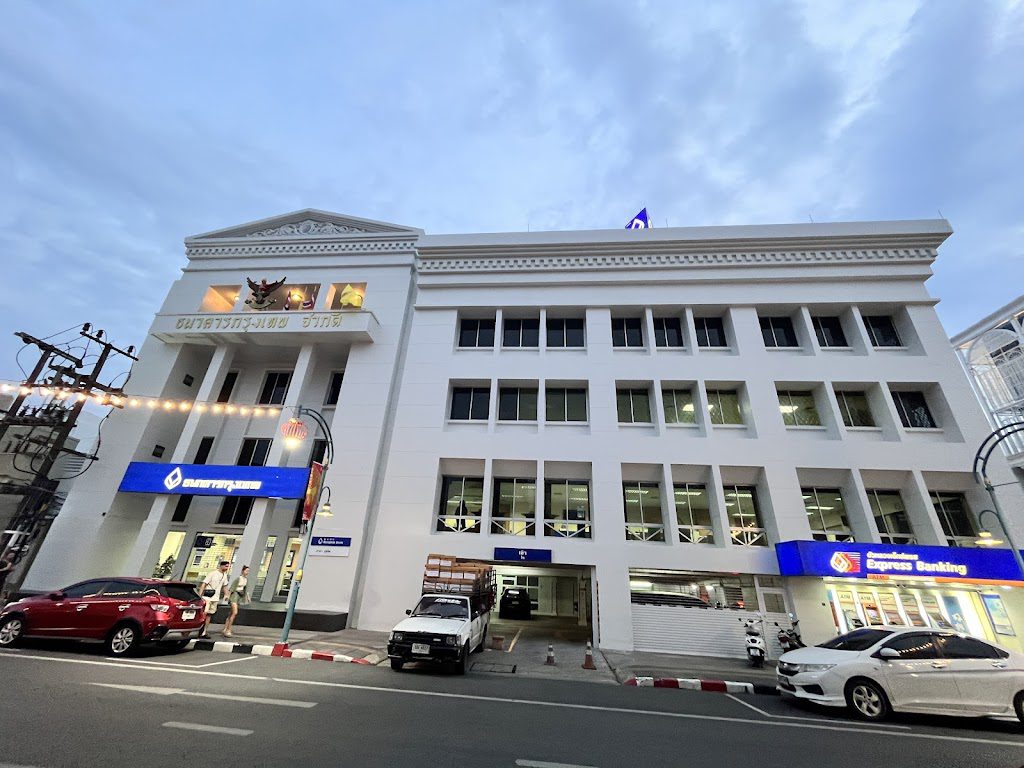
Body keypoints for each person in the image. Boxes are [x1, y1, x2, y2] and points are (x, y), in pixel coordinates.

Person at [198, 561, 231, 638]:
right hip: (207, 597)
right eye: (226, 566)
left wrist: (226, 595)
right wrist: (199, 595)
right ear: (221, 566)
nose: (227, 568)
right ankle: (199, 630)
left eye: (228, 566)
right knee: (204, 613)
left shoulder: (224, 575)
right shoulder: (212, 573)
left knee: (210, 614)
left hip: (215, 598)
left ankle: (204, 631)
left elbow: (225, 586)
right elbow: (204, 584)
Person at [222, 565, 251, 638]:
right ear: (242, 571)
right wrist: (227, 596)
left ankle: (225, 629)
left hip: (239, 597)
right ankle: (228, 630)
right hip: (234, 596)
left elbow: (245, 589)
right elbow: (232, 588)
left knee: (231, 613)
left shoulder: (246, 579)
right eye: (246, 571)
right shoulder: (238, 579)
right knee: (235, 612)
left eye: (248, 571)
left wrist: (247, 597)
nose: (247, 572)